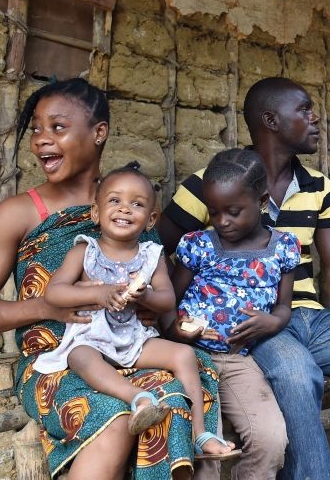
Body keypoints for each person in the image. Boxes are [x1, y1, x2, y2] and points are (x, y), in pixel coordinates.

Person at [158, 77, 330, 480]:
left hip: (310, 317)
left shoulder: (319, 187)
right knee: (296, 372)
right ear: (271, 120)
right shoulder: (213, 184)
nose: (315, 118)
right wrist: (172, 321)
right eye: (304, 110)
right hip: (258, 327)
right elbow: (153, 250)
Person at [0, 78, 221, 480]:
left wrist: (158, 312)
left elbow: (155, 292)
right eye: (38, 129)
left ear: (99, 133)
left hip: (131, 348)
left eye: (57, 127)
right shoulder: (20, 214)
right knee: (111, 418)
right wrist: (46, 306)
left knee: (178, 395)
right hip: (58, 362)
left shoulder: (129, 205)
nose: (42, 140)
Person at [32, 163, 239, 460]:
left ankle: (200, 434)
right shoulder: (84, 251)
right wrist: (97, 293)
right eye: (114, 201)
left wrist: (145, 297)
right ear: (95, 213)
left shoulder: (151, 256)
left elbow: (167, 300)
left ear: (151, 219)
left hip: (135, 337)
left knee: (184, 355)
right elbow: (54, 292)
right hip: (92, 336)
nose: (125, 210)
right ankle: (139, 399)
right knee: (80, 357)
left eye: (137, 204)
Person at [164, 147, 298, 479]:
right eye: (214, 211)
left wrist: (272, 322)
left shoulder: (282, 247)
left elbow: (283, 307)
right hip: (190, 359)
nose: (222, 221)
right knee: (205, 453)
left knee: (271, 439)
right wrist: (178, 330)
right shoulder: (199, 245)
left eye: (234, 211)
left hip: (239, 362)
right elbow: (168, 303)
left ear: (262, 200)